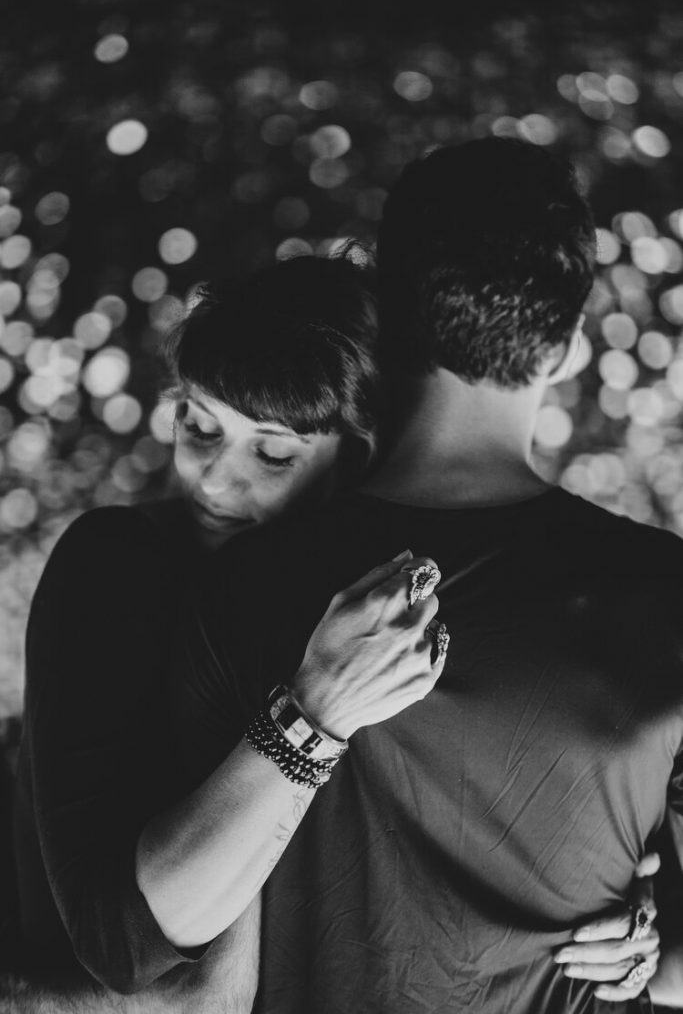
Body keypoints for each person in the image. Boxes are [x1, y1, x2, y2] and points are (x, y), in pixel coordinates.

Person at [145, 138, 681, 1012]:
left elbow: (159, 920)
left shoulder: (237, 579)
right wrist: (647, 934)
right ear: (568, 346)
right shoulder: (666, 596)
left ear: (386, 317)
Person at [10, 253, 445, 1008]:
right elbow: (116, 941)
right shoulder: (115, 566)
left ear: (355, 455)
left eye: (270, 451)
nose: (213, 478)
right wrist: (313, 719)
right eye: (198, 424)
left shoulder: (372, 604)